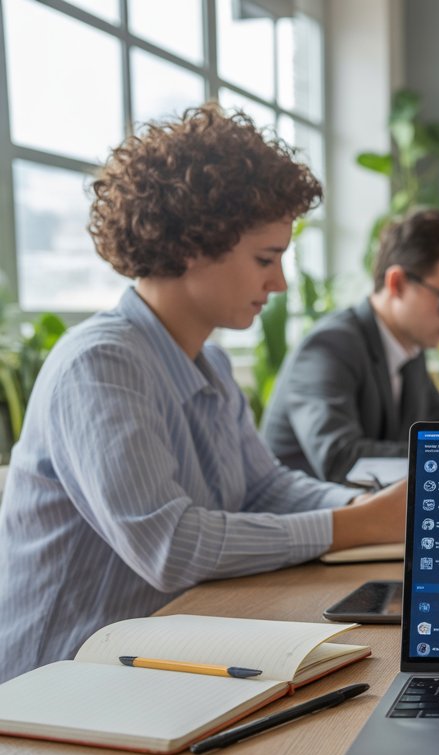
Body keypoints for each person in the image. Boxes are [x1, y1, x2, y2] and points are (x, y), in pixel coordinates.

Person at [0, 105, 407, 683]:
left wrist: (361, 506)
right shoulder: (100, 365)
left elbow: (264, 486)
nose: (280, 282)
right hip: (60, 680)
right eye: (265, 259)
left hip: (162, 654)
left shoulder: (208, 362)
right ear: (193, 244)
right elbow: (170, 545)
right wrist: (359, 525)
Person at [262, 210, 439, 483]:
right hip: (307, 517)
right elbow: (340, 458)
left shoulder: (410, 352)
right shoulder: (329, 348)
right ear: (398, 283)